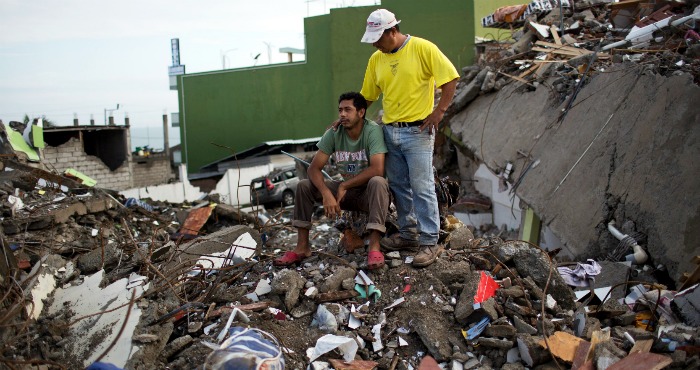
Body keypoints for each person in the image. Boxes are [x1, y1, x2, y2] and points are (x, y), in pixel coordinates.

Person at [359, 8, 459, 267]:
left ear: (392, 31)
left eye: (378, 38)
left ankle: (429, 242)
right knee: (399, 185)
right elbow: (368, 95)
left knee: (422, 186)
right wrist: (351, 114)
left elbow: (450, 79)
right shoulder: (376, 59)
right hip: (390, 131)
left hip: (419, 131)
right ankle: (409, 234)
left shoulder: (423, 48)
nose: (375, 44)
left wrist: (439, 112)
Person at [274, 92, 390, 270]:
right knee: (304, 186)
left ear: (361, 112)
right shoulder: (334, 133)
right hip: (345, 194)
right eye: (340, 110)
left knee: (378, 181)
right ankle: (302, 247)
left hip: (369, 194)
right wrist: (326, 193)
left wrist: (344, 184)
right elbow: (313, 168)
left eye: (348, 110)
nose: (342, 114)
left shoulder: (372, 130)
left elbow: (377, 169)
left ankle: (374, 247)